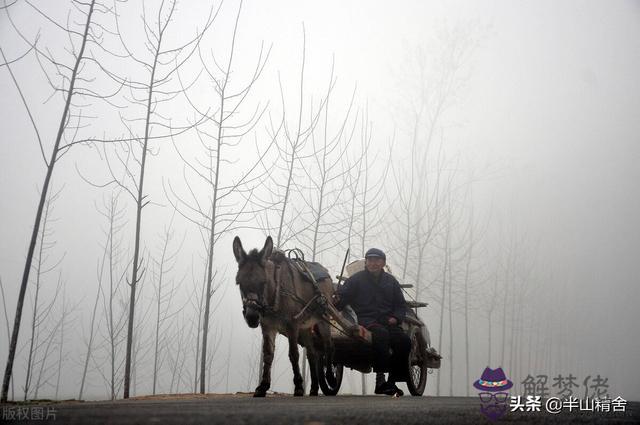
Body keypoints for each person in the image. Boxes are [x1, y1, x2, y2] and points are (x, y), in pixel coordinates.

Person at [333, 248, 411, 396]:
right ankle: (380, 381)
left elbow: (400, 305)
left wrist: (396, 317)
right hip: (365, 320)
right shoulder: (356, 279)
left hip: (388, 321)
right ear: (366, 262)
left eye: (377, 260)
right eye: (370, 260)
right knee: (381, 335)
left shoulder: (391, 281)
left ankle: (392, 381)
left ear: (383, 263)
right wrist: (337, 301)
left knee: (405, 341)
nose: (373, 263)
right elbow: (343, 298)